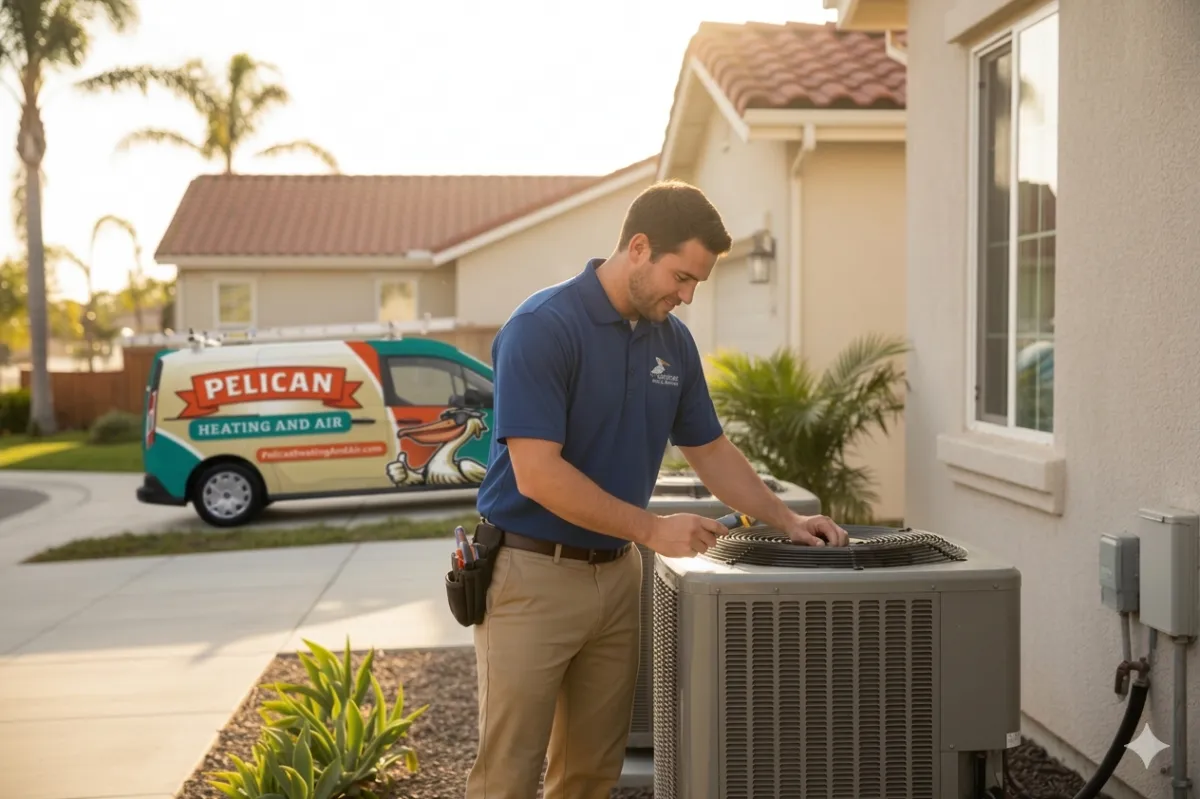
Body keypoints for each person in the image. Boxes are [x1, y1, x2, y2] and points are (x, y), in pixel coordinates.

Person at [465, 179, 849, 799]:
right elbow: (537, 474)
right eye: (682, 276)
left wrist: (787, 520)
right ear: (639, 248)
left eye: (697, 282)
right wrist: (652, 529)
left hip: (618, 575)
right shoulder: (542, 328)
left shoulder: (672, 340)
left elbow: (710, 450)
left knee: (591, 773)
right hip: (531, 576)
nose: (688, 295)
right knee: (506, 777)